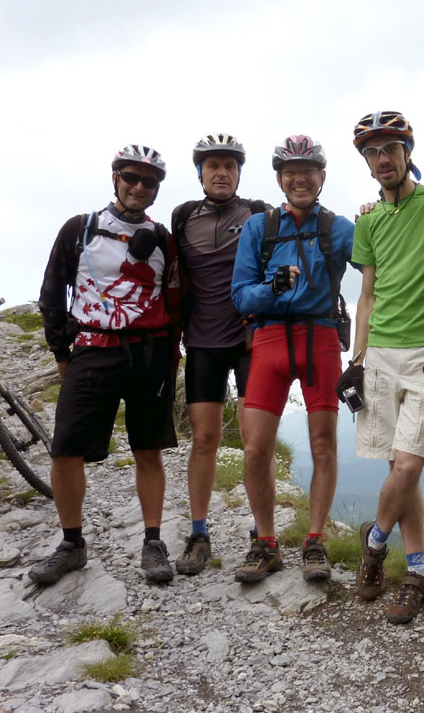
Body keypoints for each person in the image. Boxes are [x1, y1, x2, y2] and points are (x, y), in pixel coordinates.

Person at [337, 111, 424, 625]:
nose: (381, 160)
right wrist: (355, 358)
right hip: (379, 356)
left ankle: (374, 544)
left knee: (411, 464)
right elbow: (367, 293)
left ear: (408, 152)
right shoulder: (370, 220)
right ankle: (417, 568)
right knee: (399, 468)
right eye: (372, 153)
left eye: (389, 149)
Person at [31, 144, 181, 586]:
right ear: (114, 178)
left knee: (148, 450)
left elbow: (175, 300)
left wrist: (173, 357)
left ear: (157, 189)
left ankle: (153, 542)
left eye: (148, 181)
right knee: (65, 449)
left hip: (150, 353)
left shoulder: (164, 239)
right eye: (130, 177)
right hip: (93, 348)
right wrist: (61, 351)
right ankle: (71, 545)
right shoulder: (81, 228)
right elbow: (52, 289)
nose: (138, 186)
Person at [231, 135, 355, 583]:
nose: (299, 178)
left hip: (320, 337)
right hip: (268, 340)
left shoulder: (339, 228)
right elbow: (240, 293)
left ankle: (315, 540)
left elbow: (382, 258)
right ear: (280, 179)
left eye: (308, 171)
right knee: (255, 448)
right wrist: (274, 288)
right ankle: (266, 542)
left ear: (322, 177)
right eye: (290, 172)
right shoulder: (258, 228)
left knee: (324, 444)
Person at [171, 133, 268, 576]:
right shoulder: (183, 216)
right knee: (205, 439)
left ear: (239, 173)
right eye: (213, 165)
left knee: (254, 444)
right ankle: (198, 532)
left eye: (230, 165)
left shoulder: (258, 213)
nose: (222, 172)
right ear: (200, 173)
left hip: (249, 341)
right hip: (203, 342)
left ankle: (260, 534)